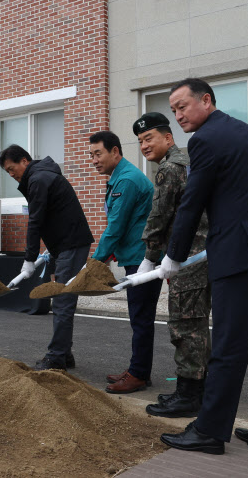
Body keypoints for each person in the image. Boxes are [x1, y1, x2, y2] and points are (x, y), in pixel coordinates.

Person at [156, 78, 248, 455]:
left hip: (240, 256)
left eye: (182, 106)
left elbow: (191, 203)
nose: (178, 115)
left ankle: (210, 431)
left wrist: (173, 257)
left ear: (206, 100)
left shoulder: (204, 140)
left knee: (229, 347)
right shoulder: (247, 133)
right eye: (173, 110)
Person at [132, 112, 211, 417]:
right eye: (140, 141)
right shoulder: (190, 161)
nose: (144, 145)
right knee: (198, 326)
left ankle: (189, 397)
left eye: (149, 138)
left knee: (186, 327)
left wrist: (149, 256)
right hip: (201, 254)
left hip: (187, 259)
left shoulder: (170, 168)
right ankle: (195, 391)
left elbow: (159, 216)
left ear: (168, 138)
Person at [0, 144, 94, 371]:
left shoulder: (39, 179)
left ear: (24, 161)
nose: (11, 175)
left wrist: (29, 259)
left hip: (70, 244)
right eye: (7, 173)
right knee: (62, 298)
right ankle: (64, 353)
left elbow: (35, 221)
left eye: (12, 169)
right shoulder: (41, 175)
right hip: (64, 244)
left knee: (62, 299)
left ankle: (57, 356)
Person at [86, 131, 161, 394]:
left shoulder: (127, 181)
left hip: (143, 261)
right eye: (91, 155)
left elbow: (115, 227)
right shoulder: (121, 177)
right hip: (136, 257)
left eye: (99, 154)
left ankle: (138, 375)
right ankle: (137, 369)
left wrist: (94, 265)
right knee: (139, 317)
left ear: (115, 152)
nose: (94, 160)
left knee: (141, 318)